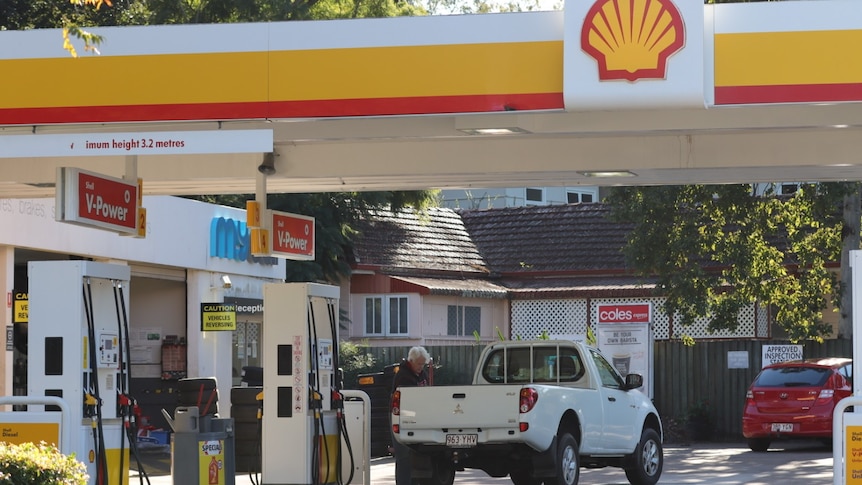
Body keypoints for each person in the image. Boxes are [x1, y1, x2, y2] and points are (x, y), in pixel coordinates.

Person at [391, 346, 431, 485]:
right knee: (404, 456)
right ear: (411, 361)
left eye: (423, 364)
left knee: (415, 456)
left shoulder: (421, 374)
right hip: (403, 419)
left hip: (418, 418)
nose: (421, 367)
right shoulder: (403, 376)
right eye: (419, 364)